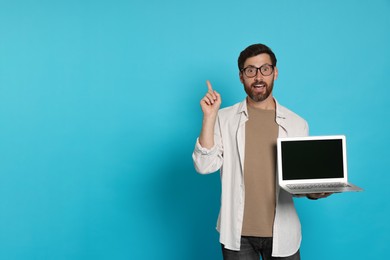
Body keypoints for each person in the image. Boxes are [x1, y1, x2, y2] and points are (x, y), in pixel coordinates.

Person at [192, 43, 330, 260]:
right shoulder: (223, 118)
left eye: (265, 69)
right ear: (241, 77)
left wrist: (313, 192)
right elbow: (204, 165)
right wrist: (209, 117)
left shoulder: (296, 124)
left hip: (283, 233)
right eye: (250, 70)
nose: (258, 77)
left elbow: (298, 181)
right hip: (237, 235)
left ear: (275, 72)